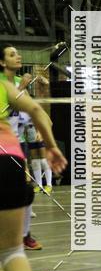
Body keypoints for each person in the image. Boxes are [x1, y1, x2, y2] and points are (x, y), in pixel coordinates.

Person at [0, 77, 67, 271]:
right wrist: (52, 146)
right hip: (9, 160)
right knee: (12, 251)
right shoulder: (4, 85)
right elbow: (37, 110)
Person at [0, 44, 44, 250]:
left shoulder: (20, 82)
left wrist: (37, 127)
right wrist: (20, 90)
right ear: (2, 62)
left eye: (18, 53)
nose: (18, 57)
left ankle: (24, 235)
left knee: (26, 190)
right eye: (12, 54)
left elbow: (26, 111)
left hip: (17, 145)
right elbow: (4, 111)